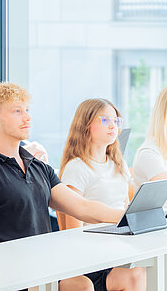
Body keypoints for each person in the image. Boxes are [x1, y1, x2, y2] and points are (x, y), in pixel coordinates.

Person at [0, 83, 142, 291]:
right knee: (82, 286)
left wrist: (131, 215)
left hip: (42, 268)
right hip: (7, 273)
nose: (27, 117)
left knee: (83, 285)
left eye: (27, 110)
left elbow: (83, 207)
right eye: (17, 111)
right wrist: (19, 258)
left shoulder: (38, 167)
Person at [58, 99, 146, 287]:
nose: (113, 126)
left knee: (139, 273)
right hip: (91, 261)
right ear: (86, 125)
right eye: (105, 120)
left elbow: (124, 207)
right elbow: (73, 231)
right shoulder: (77, 168)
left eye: (116, 121)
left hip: (118, 250)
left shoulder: (118, 165)